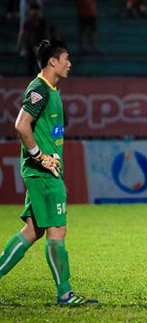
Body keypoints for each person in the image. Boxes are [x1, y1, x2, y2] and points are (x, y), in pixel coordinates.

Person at [0, 39, 98, 306]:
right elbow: (22, 125)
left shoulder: (52, 89)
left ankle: (64, 293)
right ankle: (65, 294)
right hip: (44, 173)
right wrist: (40, 157)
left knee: (32, 230)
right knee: (57, 229)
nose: (70, 63)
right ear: (52, 61)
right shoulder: (39, 90)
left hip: (44, 172)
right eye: (66, 58)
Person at [17, 2, 50, 76]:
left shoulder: (42, 22)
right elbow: (23, 34)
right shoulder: (27, 22)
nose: (35, 13)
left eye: (36, 11)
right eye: (33, 10)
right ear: (30, 11)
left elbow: (47, 34)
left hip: (40, 46)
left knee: (41, 66)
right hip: (30, 46)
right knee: (30, 65)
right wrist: (21, 46)